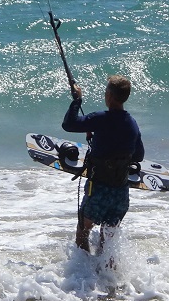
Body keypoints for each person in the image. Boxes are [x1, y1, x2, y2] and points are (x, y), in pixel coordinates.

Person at [61, 74, 145, 253]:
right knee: (107, 240)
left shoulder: (100, 119)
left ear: (110, 96)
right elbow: (139, 156)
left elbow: (69, 124)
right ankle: (106, 270)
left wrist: (77, 100)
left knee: (83, 231)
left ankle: (84, 269)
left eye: (106, 91)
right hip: (120, 193)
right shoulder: (132, 124)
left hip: (98, 189)